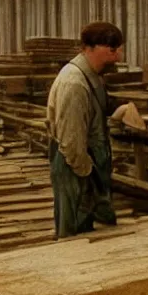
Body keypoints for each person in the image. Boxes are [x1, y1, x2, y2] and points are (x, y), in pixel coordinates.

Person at [46, 22, 124, 239]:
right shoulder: (75, 83)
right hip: (75, 167)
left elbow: (98, 106)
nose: (118, 57)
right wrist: (87, 176)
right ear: (93, 49)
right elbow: (71, 143)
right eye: (113, 51)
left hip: (84, 164)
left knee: (87, 230)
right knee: (74, 235)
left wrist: (121, 108)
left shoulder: (91, 75)